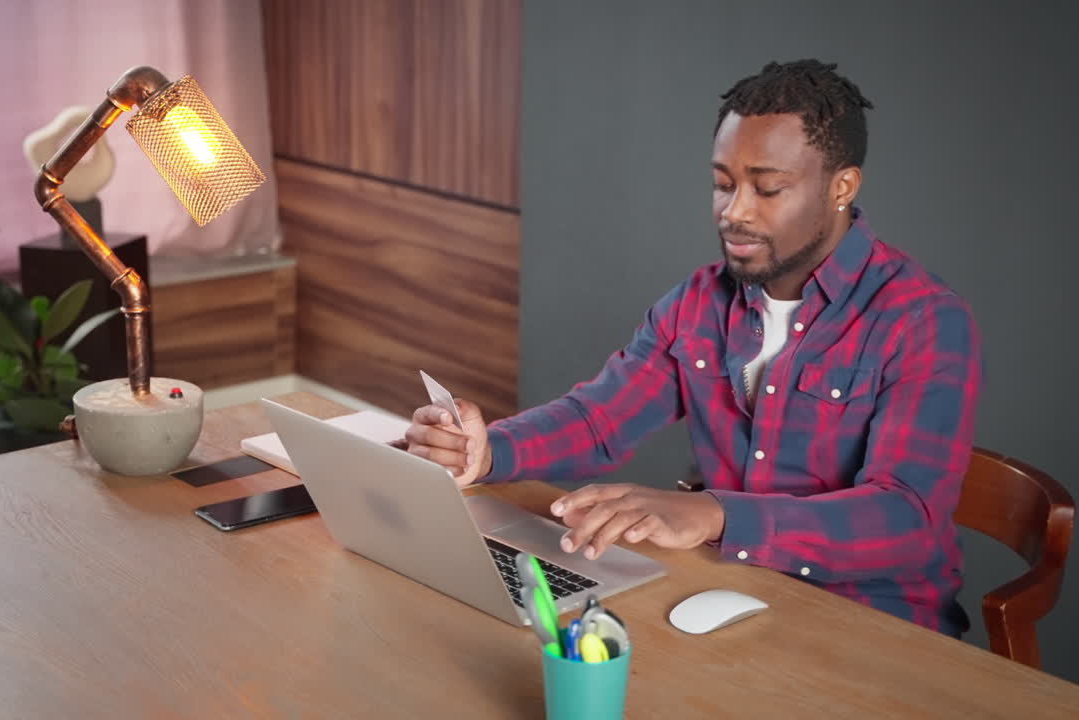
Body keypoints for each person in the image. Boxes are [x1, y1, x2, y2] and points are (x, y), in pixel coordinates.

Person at [405, 59, 981, 637]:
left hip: (878, 626)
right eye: (723, 184)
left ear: (841, 187)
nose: (735, 212)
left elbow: (907, 517)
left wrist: (716, 514)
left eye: (768, 188)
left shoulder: (924, 320)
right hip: (733, 590)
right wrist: (487, 452)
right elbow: (599, 419)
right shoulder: (700, 302)